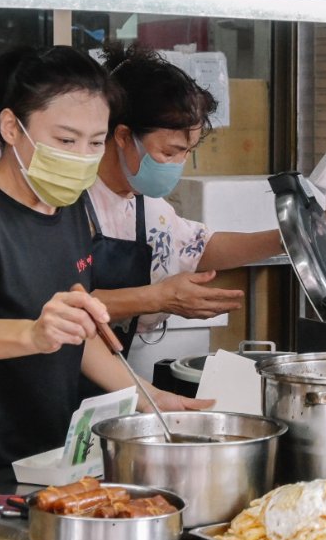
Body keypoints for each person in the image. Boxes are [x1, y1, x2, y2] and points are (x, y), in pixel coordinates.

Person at [0, 46, 210, 472]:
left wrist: (148, 399)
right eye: (65, 140)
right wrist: (32, 335)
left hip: (44, 466)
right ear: (12, 127)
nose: (82, 156)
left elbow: (77, 335)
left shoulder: (67, 207)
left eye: (95, 142)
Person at [84, 42, 283, 351]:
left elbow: (198, 247)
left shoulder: (148, 203)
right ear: (123, 136)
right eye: (169, 152)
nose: (178, 164)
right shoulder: (72, 200)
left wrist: (287, 237)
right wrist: (159, 297)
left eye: (187, 153)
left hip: (120, 359)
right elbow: (60, 303)